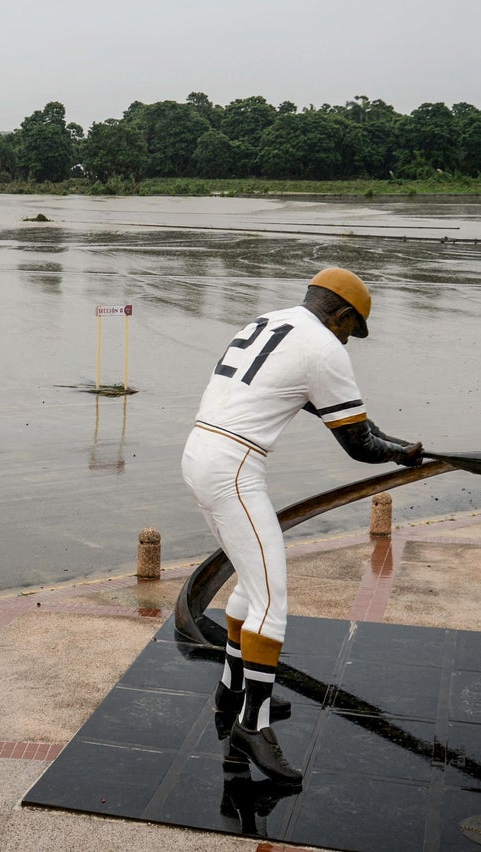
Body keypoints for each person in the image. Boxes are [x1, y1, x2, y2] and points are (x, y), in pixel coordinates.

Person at [181, 267, 422, 786]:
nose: (346, 340)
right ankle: (254, 725)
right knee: (273, 596)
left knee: (251, 581)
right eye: (349, 329)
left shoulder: (273, 322)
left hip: (199, 453)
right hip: (235, 469)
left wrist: (399, 448)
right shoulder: (324, 346)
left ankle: (231, 691)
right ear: (339, 315)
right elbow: (358, 445)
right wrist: (395, 454)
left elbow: (348, 419)